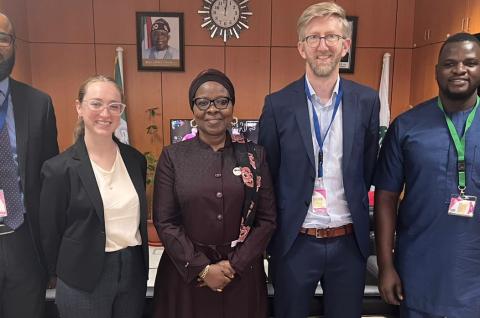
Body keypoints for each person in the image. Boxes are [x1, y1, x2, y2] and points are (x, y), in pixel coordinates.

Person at [258, 2, 380, 317]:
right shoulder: (277, 105)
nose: (322, 46)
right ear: (301, 48)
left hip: (347, 243)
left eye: (331, 37)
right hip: (295, 243)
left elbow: (367, 167)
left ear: (345, 45)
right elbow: (267, 175)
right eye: (313, 38)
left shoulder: (366, 101)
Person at [152, 68, 276, 318]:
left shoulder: (255, 156)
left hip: (242, 275)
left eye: (222, 101)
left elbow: (267, 219)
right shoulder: (173, 157)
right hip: (186, 276)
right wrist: (203, 269)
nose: (213, 109)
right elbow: (165, 222)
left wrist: (234, 265)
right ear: (193, 110)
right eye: (203, 102)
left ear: (232, 107)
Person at [375, 32, 480, 318]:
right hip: (417, 274)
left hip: (473, 278)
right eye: (450, 64)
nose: (459, 69)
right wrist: (386, 266)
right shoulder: (407, 126)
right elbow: (385, 197)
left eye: (470, 63)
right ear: (437, 71)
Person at [38, 75, 149, 318]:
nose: (105, 113)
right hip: (82, 276)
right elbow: (49, 231)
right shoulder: (58, 168)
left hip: (132, 271)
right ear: (79, 107)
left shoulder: (135, 160)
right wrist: (58, 273)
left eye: (113, 106)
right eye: (96, 103)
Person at [0, 13, 59, 318]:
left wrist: (52, 257)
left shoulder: (39, 104)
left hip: (24, 242)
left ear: (14, 45)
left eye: (3, 38)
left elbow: (51, 183)